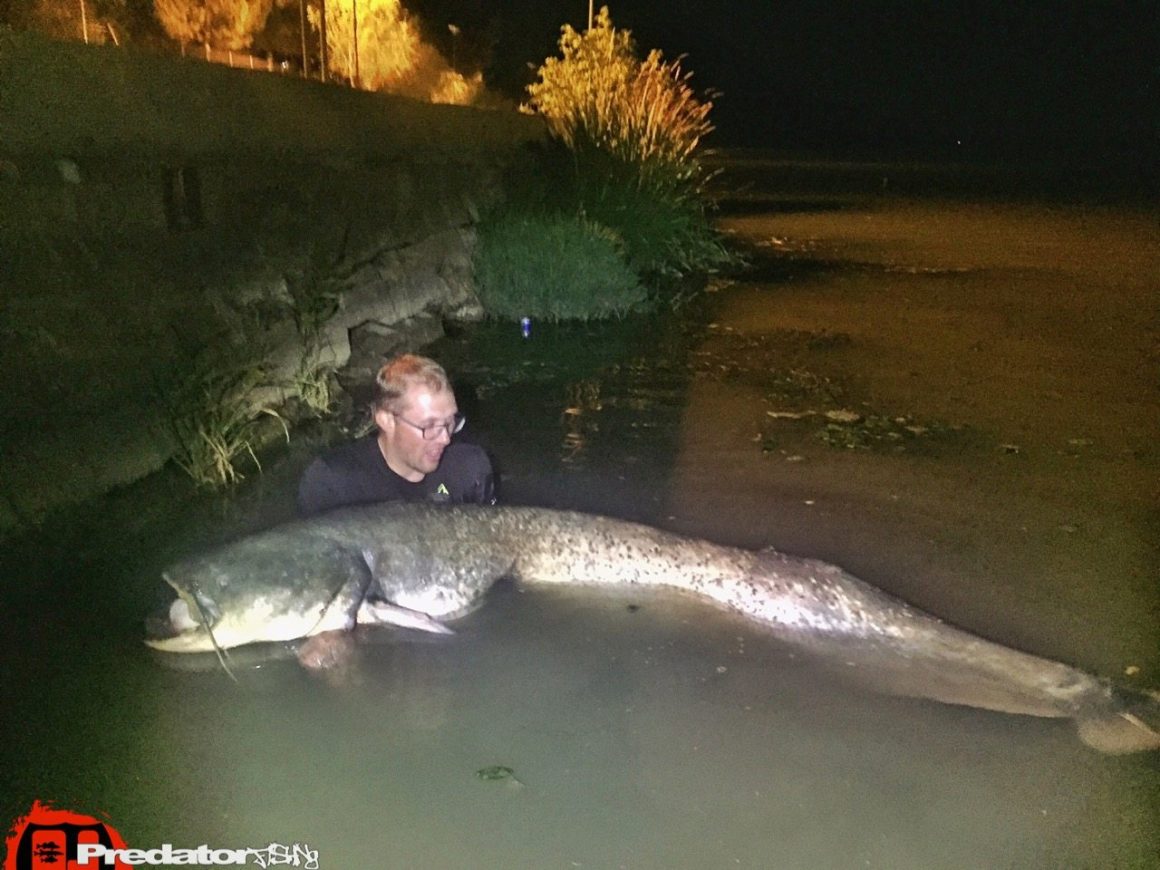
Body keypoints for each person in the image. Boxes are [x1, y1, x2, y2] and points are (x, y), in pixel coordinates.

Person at [297, 353, 495, 516]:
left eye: (450, 422)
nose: (446, 438)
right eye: (429, 425)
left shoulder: (471, 466)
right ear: (387, 421)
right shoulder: (332, 482)